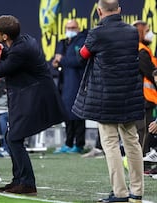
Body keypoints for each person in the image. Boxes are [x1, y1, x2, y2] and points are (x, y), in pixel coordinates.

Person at [72, 0, 144, 202]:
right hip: (129, 95)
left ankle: (120, 193)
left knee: (111, 144)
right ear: (119, 10)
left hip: (105, 97)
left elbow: (82, 55)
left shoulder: (97, 33)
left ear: (98, 11)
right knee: (132, 142)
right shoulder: (131, 32)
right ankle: (137, 192)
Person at [0, 15, 66, 196]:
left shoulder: (20, 51)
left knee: (14, 138)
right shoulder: (24, 41)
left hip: (35, 97)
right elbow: (8, 58)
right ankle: (18, 180)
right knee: (11, 137)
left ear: (5, 36)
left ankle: (28, 183)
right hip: (29, 94)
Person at [52, 19, 87, 154]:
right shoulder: (64, 42)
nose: (70, 30)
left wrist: (62, 60)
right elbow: (57, 59)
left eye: (73, 27)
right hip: (65, 82)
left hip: (77, 81)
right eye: (68, 28)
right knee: (66, 113)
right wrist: (57, 62)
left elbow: (79, 60)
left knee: (77, 114)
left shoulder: (82, 41)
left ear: (78, 28)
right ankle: (68, 142)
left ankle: (79, 144)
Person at [132, 20, 157, 158]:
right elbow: (151, 73)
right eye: (147, 31)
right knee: (144, 129)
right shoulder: (141, 51)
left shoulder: (142, 50)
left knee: (144, 129)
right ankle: (140, 159)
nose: (151, 34)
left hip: (143, 96)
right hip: (143, 97)